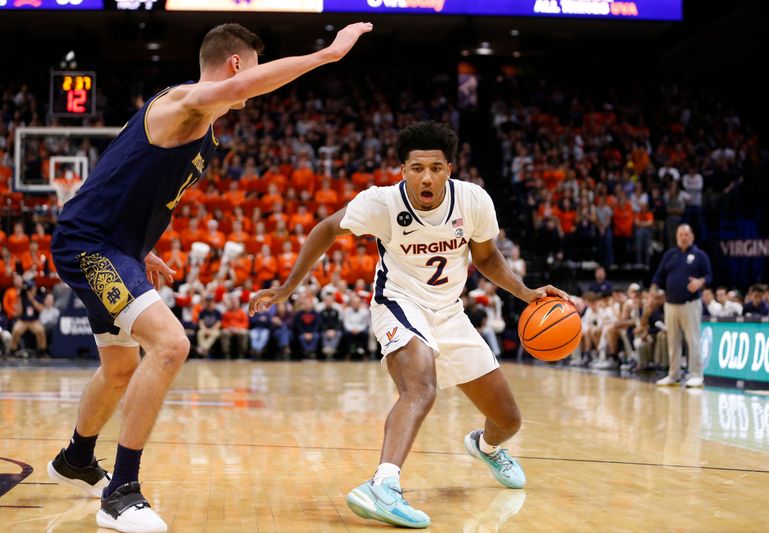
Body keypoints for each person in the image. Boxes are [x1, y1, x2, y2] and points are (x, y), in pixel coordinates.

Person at [46, 21, 373, 533]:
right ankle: (121, 493)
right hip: (89, 245)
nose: (256, 82)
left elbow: (125, 179)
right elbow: (240, 88)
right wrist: (328, 55)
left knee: (118, 369)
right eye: (255, 69)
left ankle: (76, 459)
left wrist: (141, 249)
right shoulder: (185, 102)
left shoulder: (205, 129)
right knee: (171, 346)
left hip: (115, 248)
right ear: (237, 64)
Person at [249, 121, 570, 528]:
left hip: (450, 312)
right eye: (417, 168)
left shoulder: (473, 201)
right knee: (420, 387)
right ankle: (383, 485)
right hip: (398, 301)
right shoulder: (380, 203)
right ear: (403, 171)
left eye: (436, 167)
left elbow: (487, 259)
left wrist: (526, 294)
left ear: (449, 169)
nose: (427, 176)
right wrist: (286, 287)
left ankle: (486, 448)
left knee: (509, 421)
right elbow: (326, 229)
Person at [650, 224, 712, 388]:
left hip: (690, 304)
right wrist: (653, 288)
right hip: (670, 305)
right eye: (680, 235)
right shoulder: (670, 255)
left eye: (686, 234)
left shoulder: (699, 255)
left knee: (693, 340)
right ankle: (673, 375)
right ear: (677, 237)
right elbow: (658, 275)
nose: (683, 237)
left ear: (692, 236)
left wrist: (700, 282)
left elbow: (709, 276)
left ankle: (696, 375)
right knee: (673, 341)